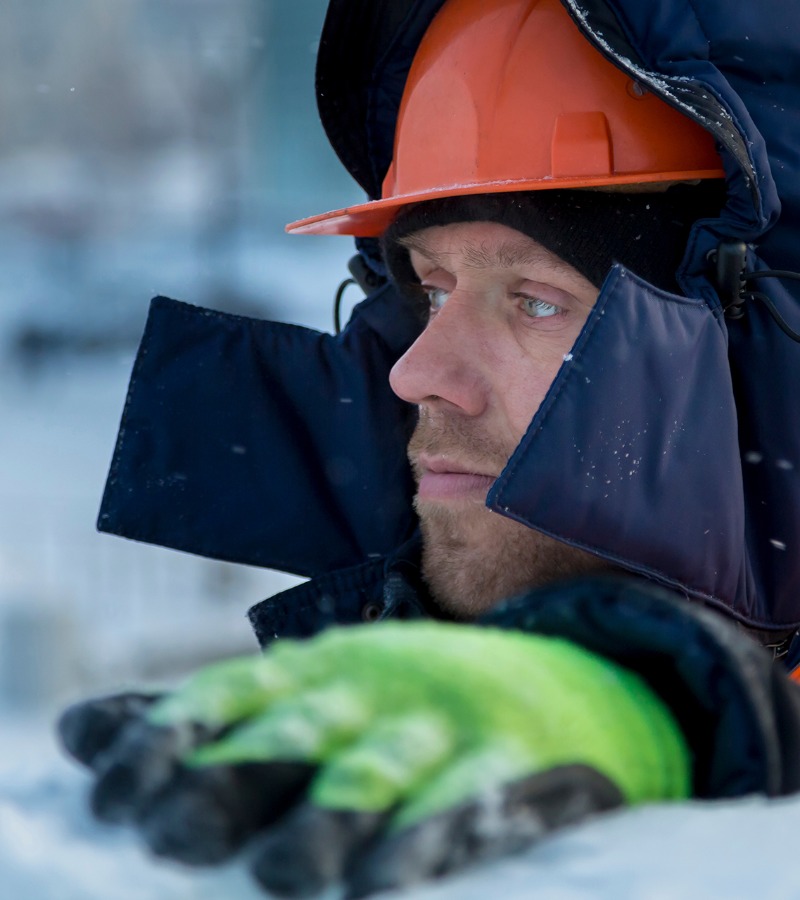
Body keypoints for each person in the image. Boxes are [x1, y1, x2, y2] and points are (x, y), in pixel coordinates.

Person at [63, 0, 800, 895]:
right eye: (431, 288)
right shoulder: (417, 775)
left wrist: (672, 712)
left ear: (758, 352)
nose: (415, 373)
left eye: (536, 298)